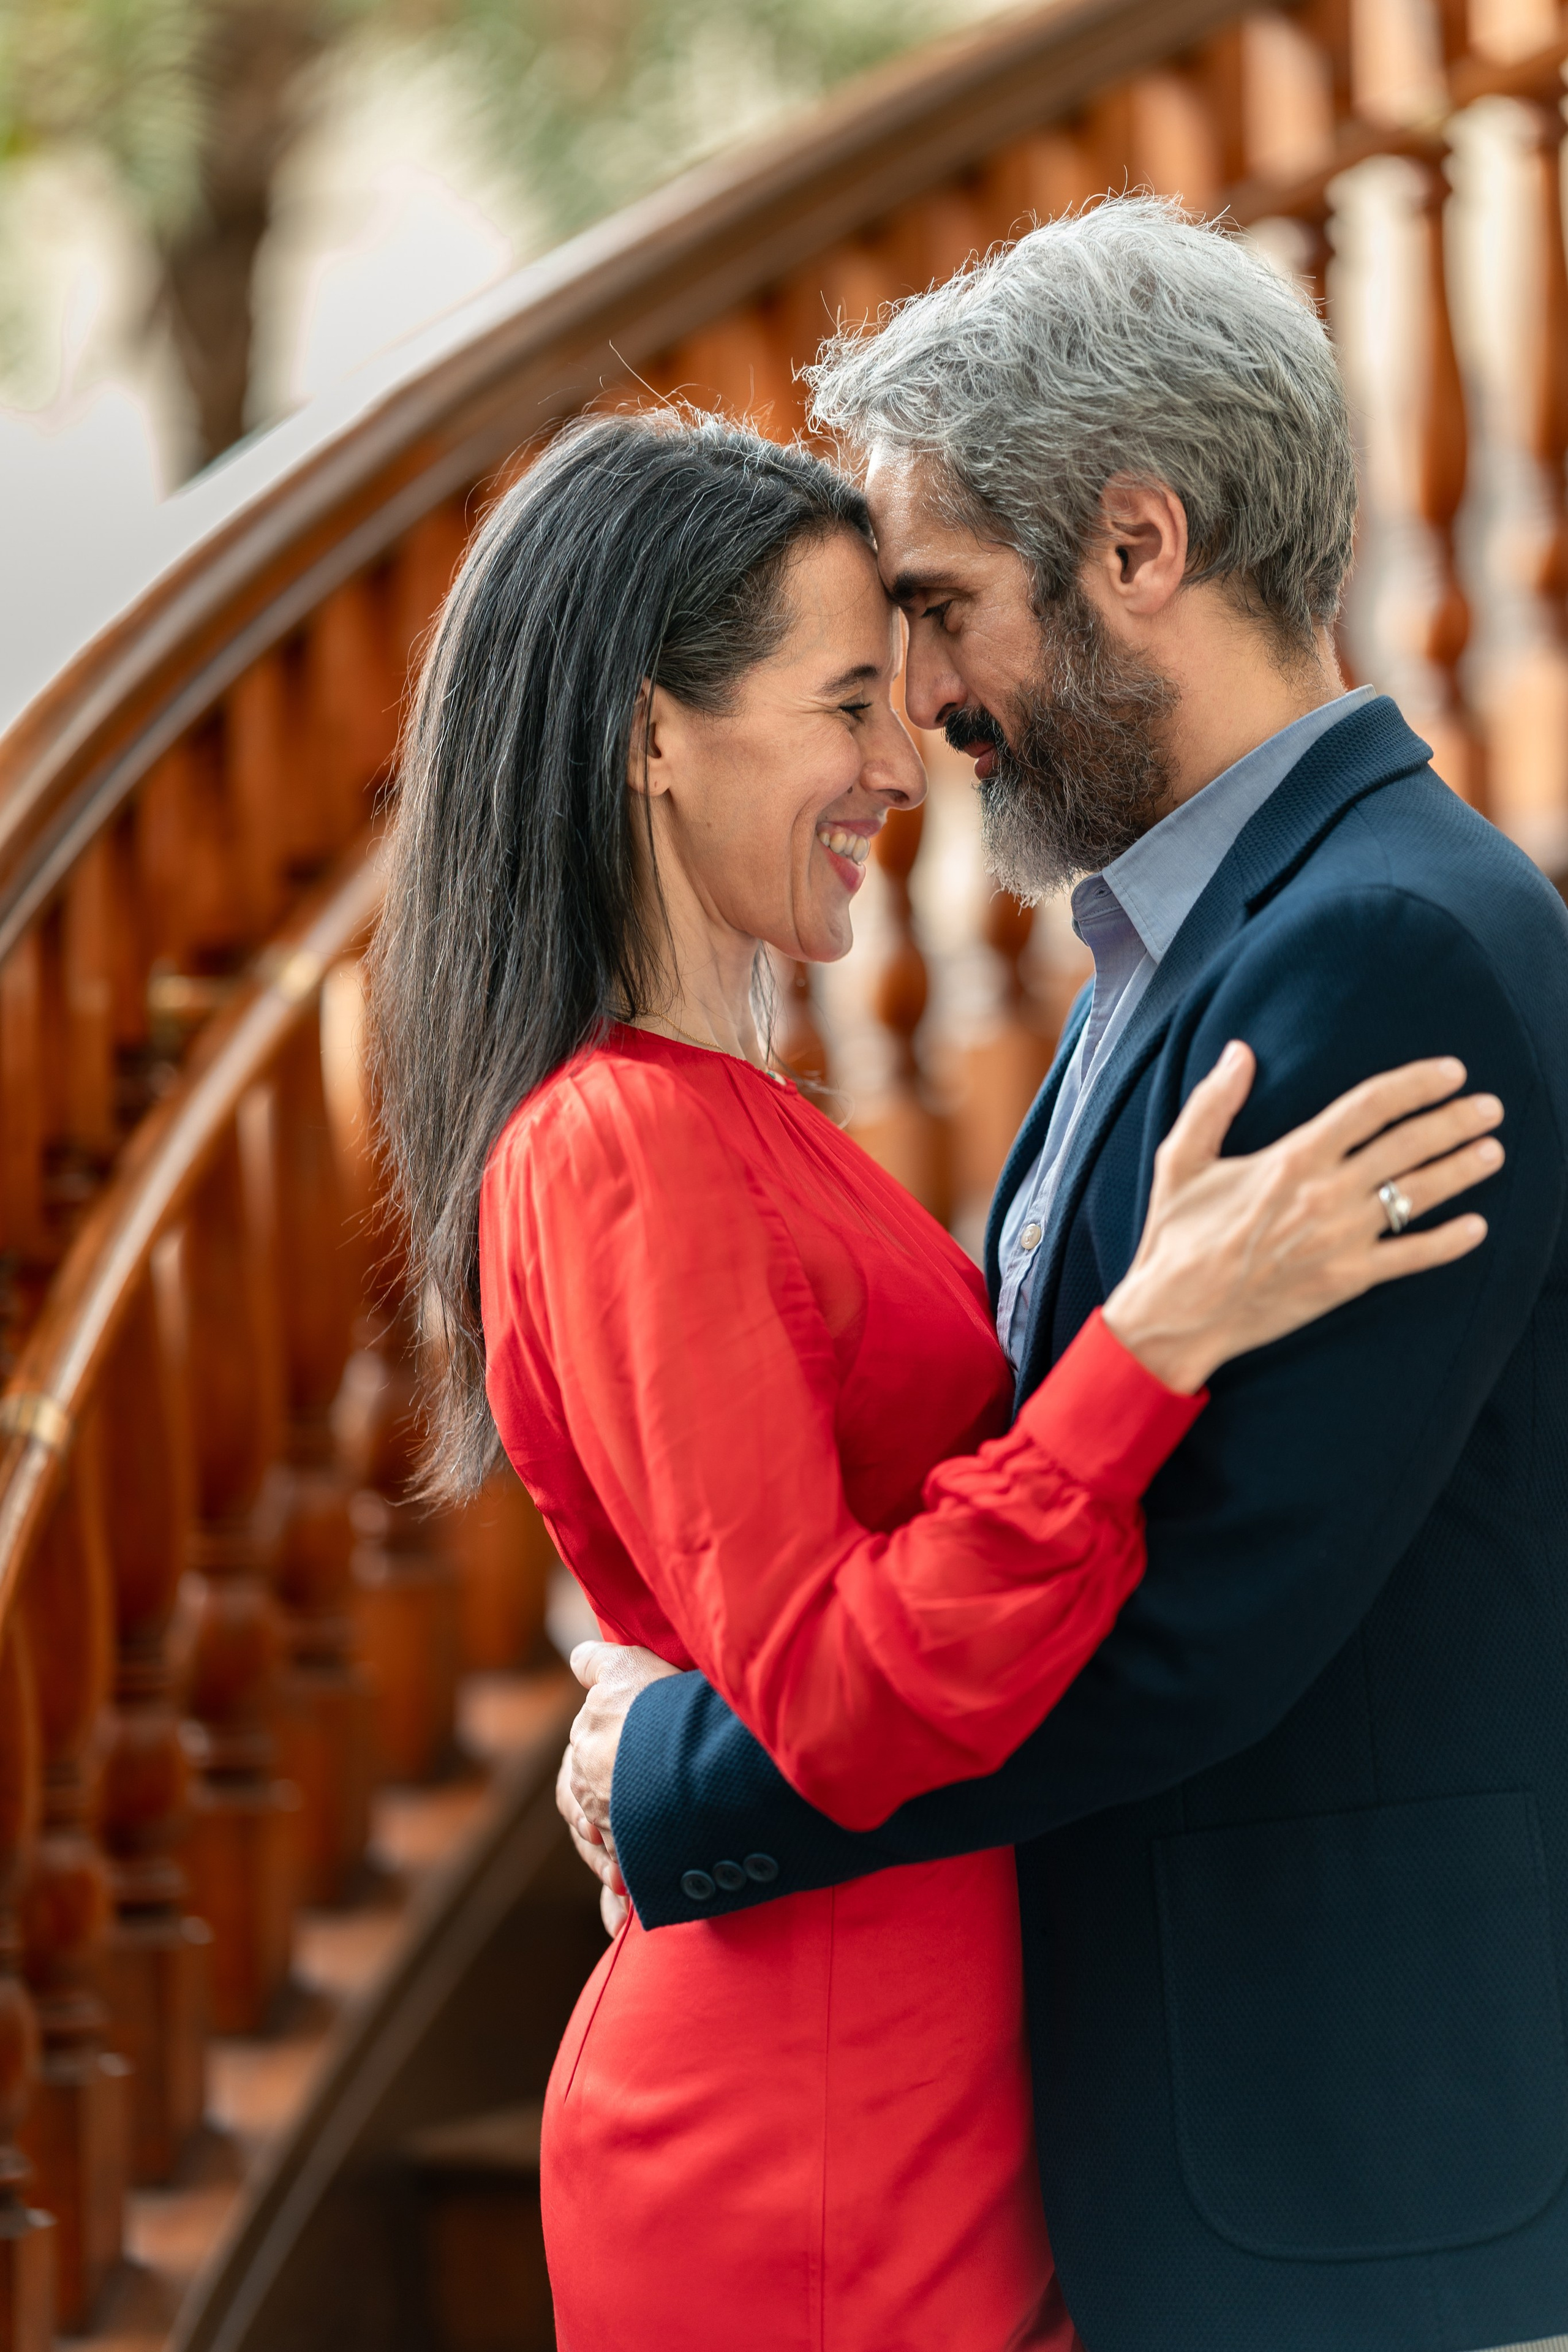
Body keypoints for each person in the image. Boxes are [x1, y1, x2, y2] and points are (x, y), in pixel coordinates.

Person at [369, 388, 1501, 2352]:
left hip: (928, 2077)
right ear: (651, 732)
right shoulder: (627, 1139)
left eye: (902, 694)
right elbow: (823, 1689)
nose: (906, 761)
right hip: (807, 2133)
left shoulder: (743, 1115)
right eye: (842, 706)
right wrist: (1147, 1345)